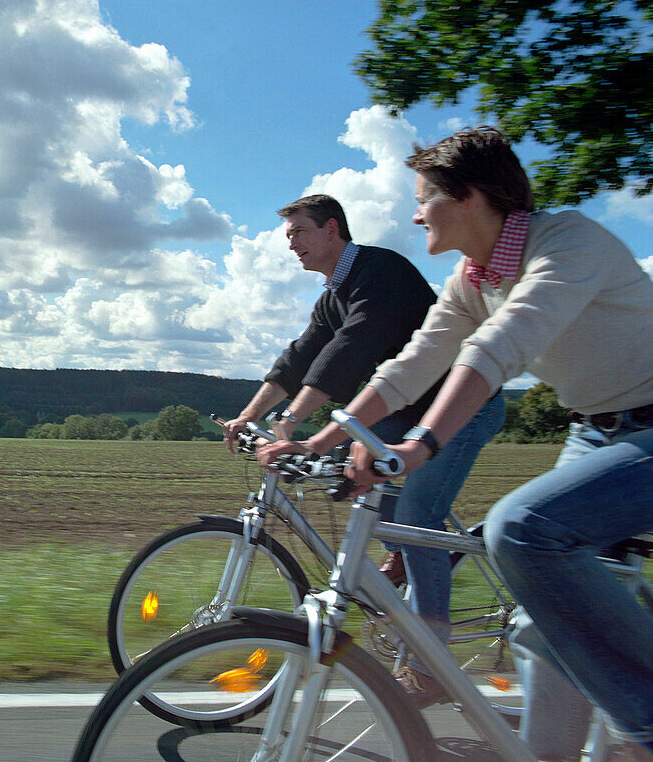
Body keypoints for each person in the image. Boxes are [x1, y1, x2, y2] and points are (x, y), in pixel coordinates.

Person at [261, 127, 653, 757]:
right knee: (541, 618)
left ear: (469, 196)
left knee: (520, 530)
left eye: (424, 199)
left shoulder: (569, 242)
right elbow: (412, 364)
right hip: (595, 431)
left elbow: (500, 348)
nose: (415, 214)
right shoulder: (474, 279)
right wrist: (327, 438)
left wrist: (418, 445)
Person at [224, 193, 505, 706]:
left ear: (332, 230)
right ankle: (401, 547)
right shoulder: (332, 296)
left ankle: (430, 664)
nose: (292, 246)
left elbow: (348, 353)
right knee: (337, 470)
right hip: (403, 411)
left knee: (419, 518)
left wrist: (288, 423)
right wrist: (249, 415)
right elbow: (300, 357)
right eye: (288, 238)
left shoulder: (381, 271)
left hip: (460, 409)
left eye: (298, 234)